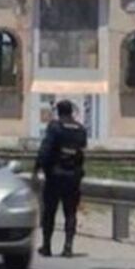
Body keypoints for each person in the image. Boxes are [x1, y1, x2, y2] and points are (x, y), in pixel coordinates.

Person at [34, 99, 87, 258]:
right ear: (71, 111)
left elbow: (46, 149)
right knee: (70, 212)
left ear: (58, 111)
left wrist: (38, 167)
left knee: (49, 211)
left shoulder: (55, 127)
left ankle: (47, 246)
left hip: (55, 175)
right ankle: (68, 246)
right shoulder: (80, 129)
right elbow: (81, 150)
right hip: (73, 176)